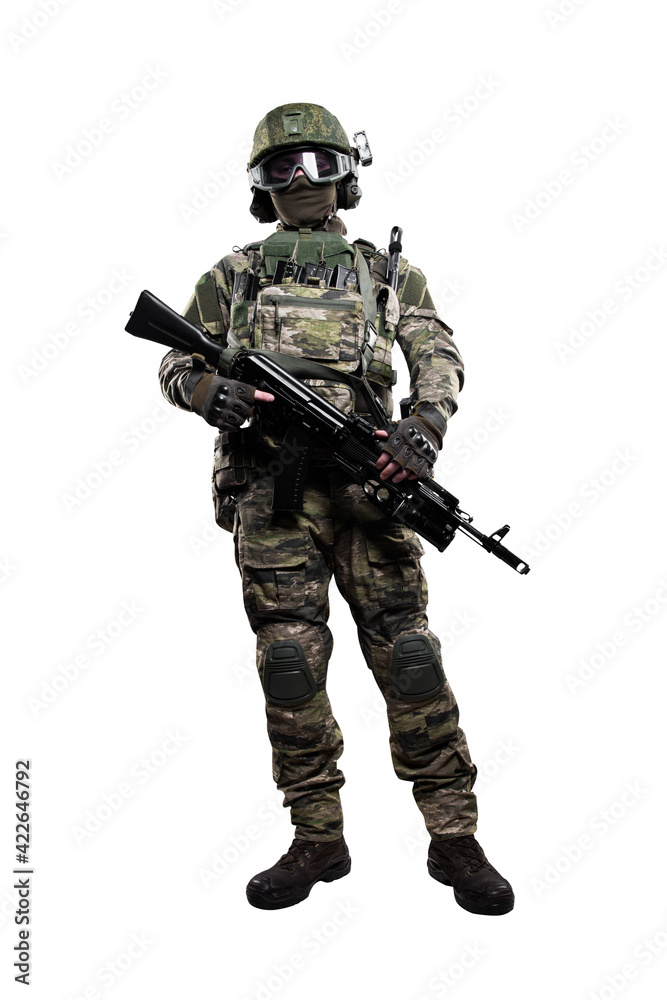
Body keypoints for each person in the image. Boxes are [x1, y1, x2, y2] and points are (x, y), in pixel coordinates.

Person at [158, 102, 514, 915]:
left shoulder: (385, 274)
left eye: (319, 163)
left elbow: (437, 353)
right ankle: (316, 837)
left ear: (347, 174)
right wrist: (207, 391)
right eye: (282, 168)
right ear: (260, 184)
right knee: (289, 663)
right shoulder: (234, 274)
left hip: (370, 491)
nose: (302, 180)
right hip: (271, 498)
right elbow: (176, 355)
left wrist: (421, 427)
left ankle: (453, 837)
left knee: (410, 657)